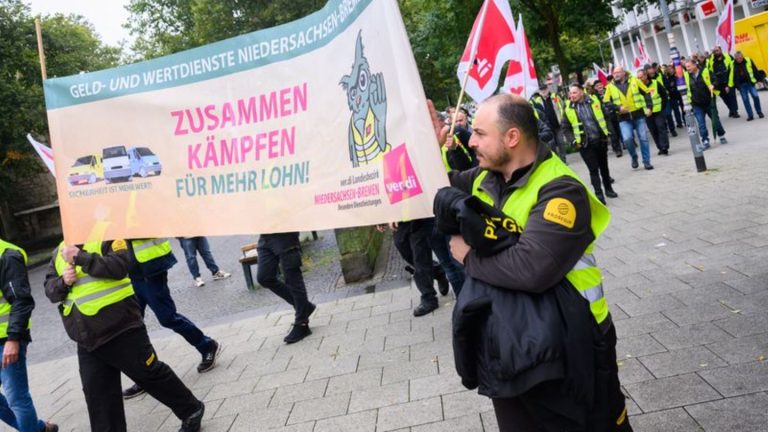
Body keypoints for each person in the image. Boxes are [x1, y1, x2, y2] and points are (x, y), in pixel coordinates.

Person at [429, 94, 630, 431]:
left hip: (573, 343)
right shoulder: (484, 177)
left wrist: (469, 258)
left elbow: (532, 268)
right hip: (511, 345)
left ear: (512, 138)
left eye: (480, 133)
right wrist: (430, 147)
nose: (470, 140)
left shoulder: (561, 189)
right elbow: (430, 189)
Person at [43, 239, 204, 432]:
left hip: (121, 327)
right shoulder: (59, 251)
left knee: (149, 374)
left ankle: (191, 410)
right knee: (98, 395)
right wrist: (63, 282)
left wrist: (81, 258)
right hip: (87, 338)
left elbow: (120, 267)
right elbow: (50, 290)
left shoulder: (108, 236)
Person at [121, 238, 221, 400]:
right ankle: (145, 375)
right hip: (129, 273)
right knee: (133, 325)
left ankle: (207, 345)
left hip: (151, 269)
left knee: (167, 317)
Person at [0, 239, 58, 432]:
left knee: (17, 397)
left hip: (6, 339)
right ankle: (38, 429)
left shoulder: (7, 256)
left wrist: (13, 339)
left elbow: (21, 301)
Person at [562, 83, 618, 204]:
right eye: (570, 93)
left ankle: (608, 189)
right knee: (593, 169)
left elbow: (606, 116)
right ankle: (599, 194)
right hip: (585, 144)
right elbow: (565, 128)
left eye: (574, 92)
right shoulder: (568, 109)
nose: (572, 95)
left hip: (600, 140)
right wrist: (573, 142)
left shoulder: (594, 101)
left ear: (582, 92)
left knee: (604, 167)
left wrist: (609, 132)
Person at [380, 220, 448, 316]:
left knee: (420, 256)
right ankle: (437, 271)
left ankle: (429, 298)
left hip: (418, 218)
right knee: (404, 248)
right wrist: (380, 220)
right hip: (399, 222)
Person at [256, 232, 316, 343]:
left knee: (293, 279)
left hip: (285, 235)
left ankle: (302, 323)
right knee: (264, 277)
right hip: (265, 235)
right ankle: (304, 307)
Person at [603, 66, 654, 170]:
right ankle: (634, 157)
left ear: (623, 73)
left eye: (618, 72)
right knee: (627, 139)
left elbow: (647, 93)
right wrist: (618, 108)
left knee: (643, 139)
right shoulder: (610, 86)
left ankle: (646, 161)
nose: (615, 74)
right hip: (623, 117)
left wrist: (649, 107)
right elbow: (606, 102)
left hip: (638, 114)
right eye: (614, 73)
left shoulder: (635, 81)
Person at [684, 59, 727, 149]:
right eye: (686, 66)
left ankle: (721, 135)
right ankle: (705, 140)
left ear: (694, 65)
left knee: (715, 120)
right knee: (701, 124)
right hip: (696, 104)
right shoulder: (687, 75)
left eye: (689, 66)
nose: (687, 68)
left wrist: (713, 85)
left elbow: (716, 80)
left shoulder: (706, 71)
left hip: (709, 101)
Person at [636, 69, 671, 155]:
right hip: (647, 113)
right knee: (653, 130)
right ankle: (659, 147)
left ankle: (664, 147)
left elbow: (664, 95)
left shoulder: (655, 83)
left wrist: (662, 107)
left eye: (641, 77)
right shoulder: (637, 87)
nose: (639, 79)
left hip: (658, 110)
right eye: (638, 78)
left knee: (661, 127)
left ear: (646, 76)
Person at [729, 51, 764, 121]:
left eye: (740, 57)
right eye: (737, 58)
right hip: (741, 85)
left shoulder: (748, 60)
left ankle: (759, 112)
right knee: (745, 100)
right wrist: (730, 86)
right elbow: (731, 75)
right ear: (735, 58)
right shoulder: (732, 64)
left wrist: (759, 80)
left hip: (750, 83)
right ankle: (750, 115)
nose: (739, 59)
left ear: (742, 56)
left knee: (755, 96)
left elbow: (755, 70)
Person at [706, 46, 740, 118]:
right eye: (714, 51)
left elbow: (734, 66)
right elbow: (709, 71)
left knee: (732, 96)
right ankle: (731, 109)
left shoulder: (728, 56)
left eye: (717, 50)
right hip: (719, 83)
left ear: (721, 50)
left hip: (729, 80)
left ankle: (735, 112)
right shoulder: (711, 60)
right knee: (725, 98)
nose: (716, 52)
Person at [594, 79, 624, 157]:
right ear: (595, 88)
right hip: (606, 117)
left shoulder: (609, 91)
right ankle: (617, 150)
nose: (599, 86)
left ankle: (621, 144)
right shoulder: (595, 97)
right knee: (612, 133)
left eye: (600, 84)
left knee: (618, 130)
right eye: (597, 86)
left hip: (614, 113)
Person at [662, 64, 685, 129]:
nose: (670, 70)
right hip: (672, 96)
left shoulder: (676, 75)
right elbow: (668, 86)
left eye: (671, 69)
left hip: (679, 94)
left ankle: (684, 120)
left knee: (683, 108)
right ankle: (679, 123)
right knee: (676, 110)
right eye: (668, 69)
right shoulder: (667, 78)